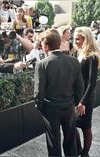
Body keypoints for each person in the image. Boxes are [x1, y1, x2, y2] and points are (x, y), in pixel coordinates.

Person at [34, 28, 84, 156]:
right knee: (70, 138)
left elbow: (39, 91)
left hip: (50, 109)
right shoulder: (73, 61)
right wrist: (75, 103)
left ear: (45, 46)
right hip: (68, 107)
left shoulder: (42, 64)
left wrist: (40, 107)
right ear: (59, 42)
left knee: (53, 141)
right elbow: (79, 86)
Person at [73, 26, 100, 157]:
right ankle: (79, 149)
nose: (75, 41)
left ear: (86, 39)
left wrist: (82, 102)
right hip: (75, 97)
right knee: (71, 125)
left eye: (78, 39)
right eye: (74, 39)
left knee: (86, 127)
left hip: (85, 98)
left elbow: (92, 83)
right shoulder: (77, 53)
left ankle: (85, 154)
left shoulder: (92, 57)